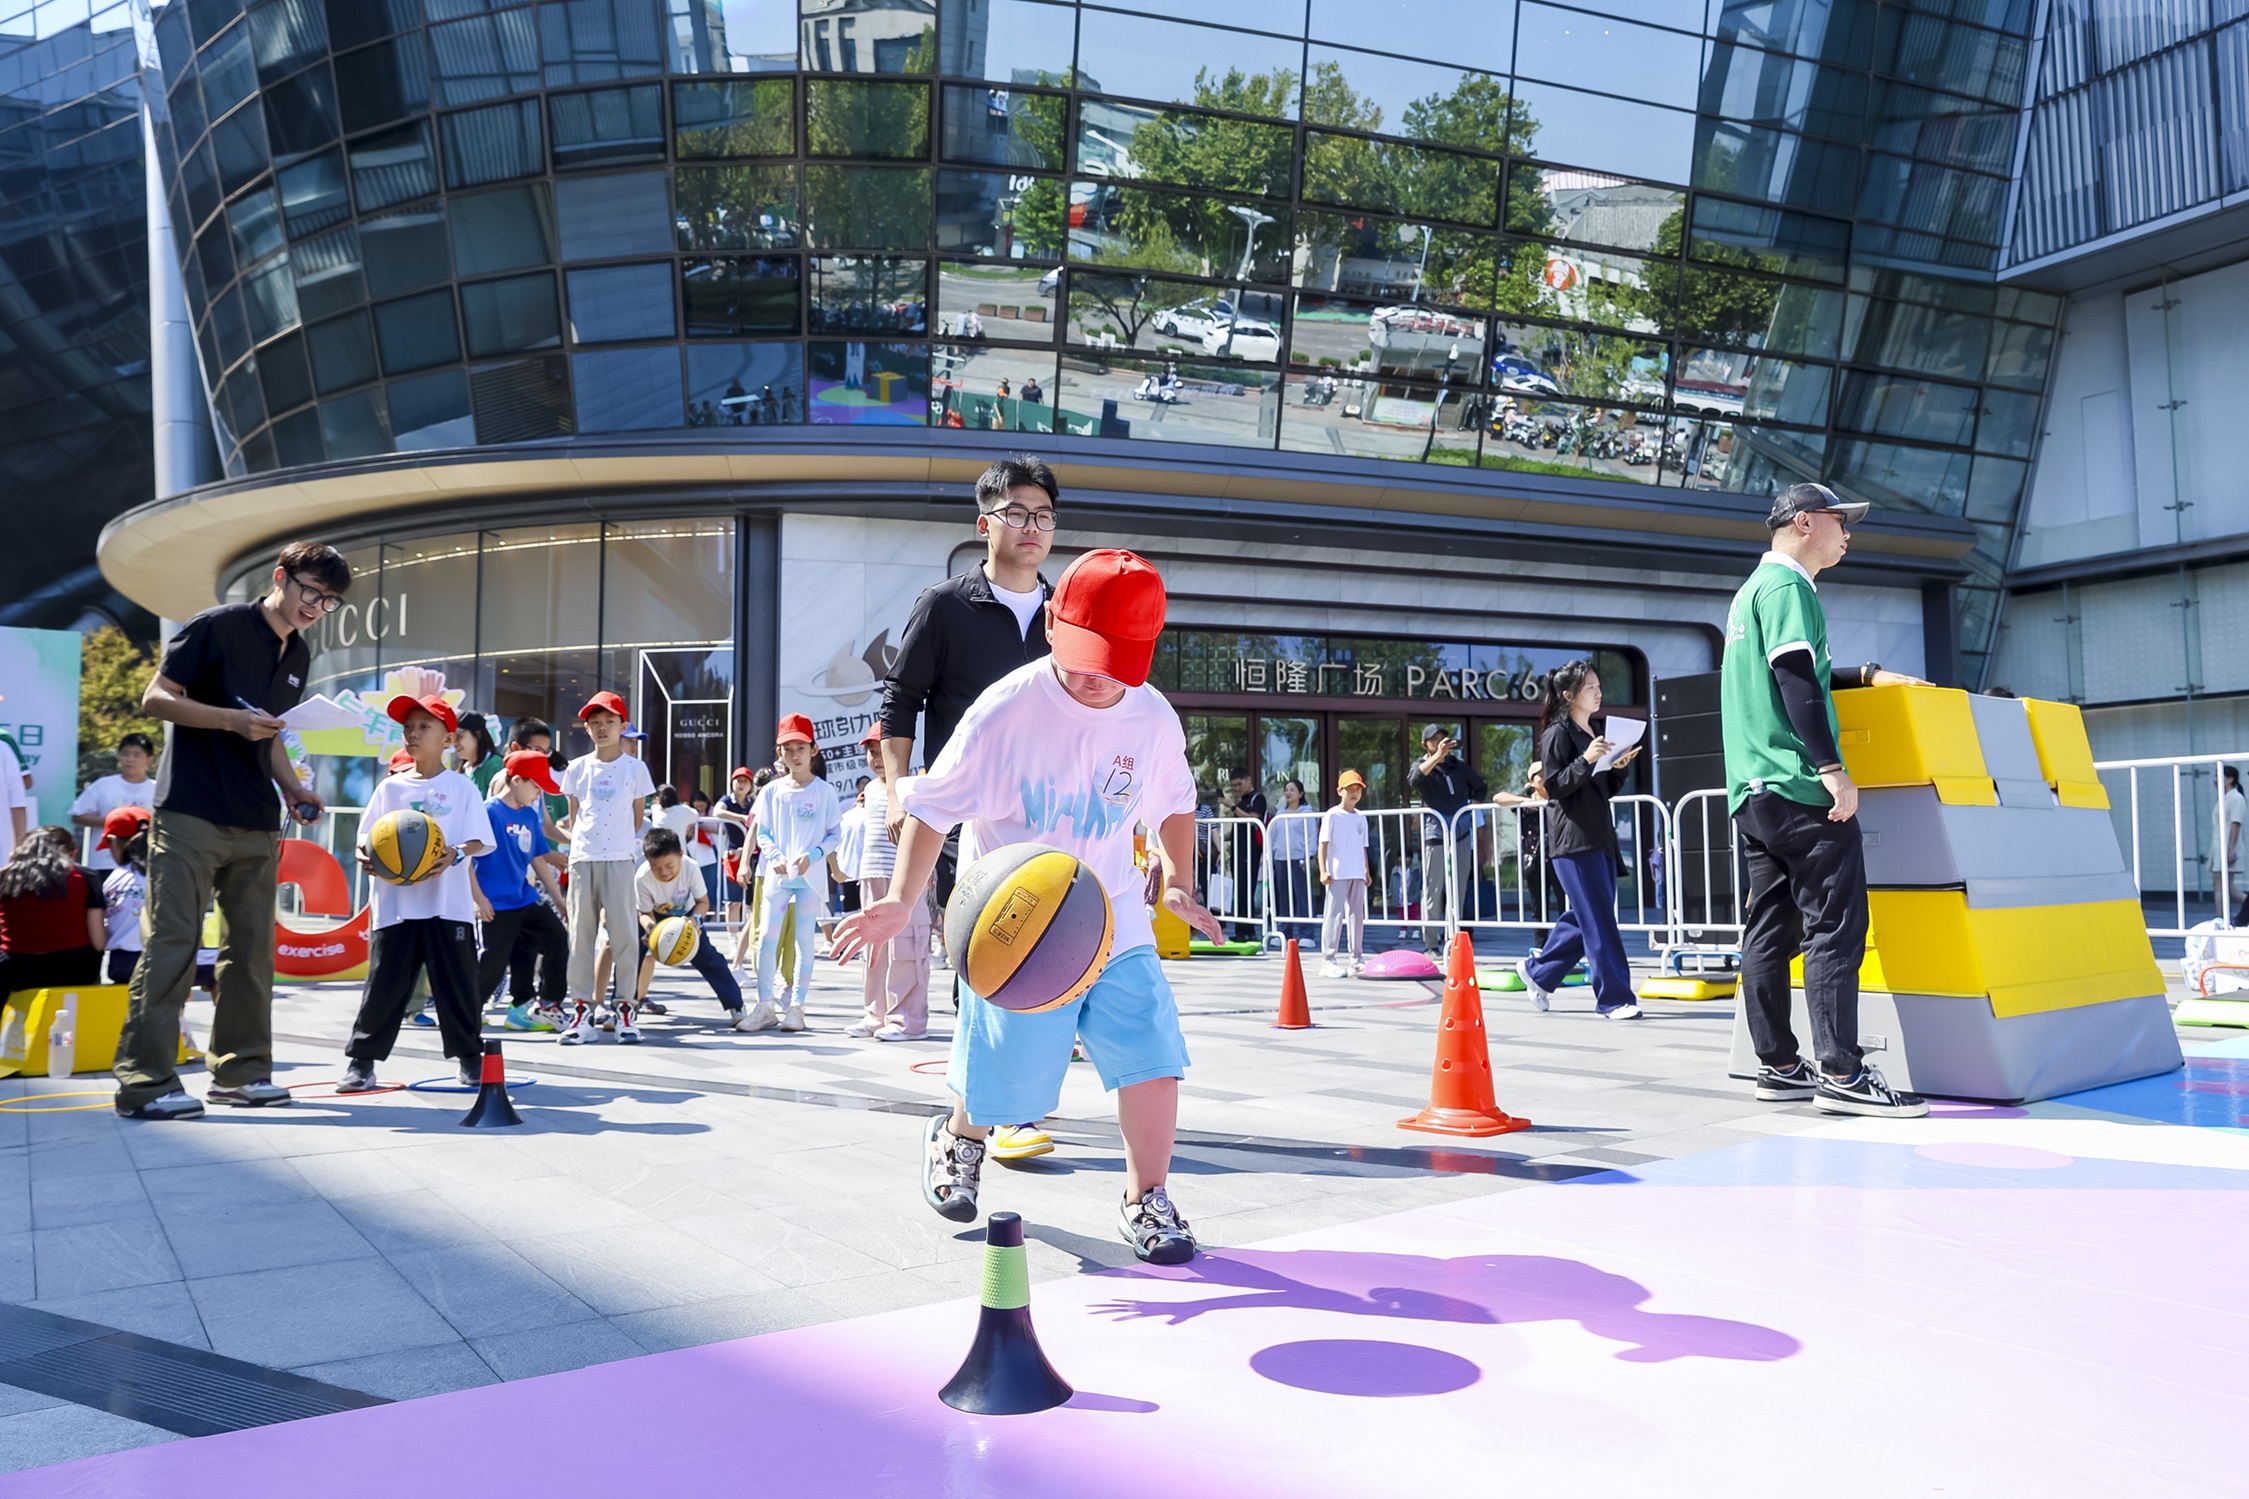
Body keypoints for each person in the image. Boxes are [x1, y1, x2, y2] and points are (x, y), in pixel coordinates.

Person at [835, 549, 1223, 1261]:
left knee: (1151, 1052)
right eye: (1083, 656)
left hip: (1112, 914)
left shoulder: (1151, 716)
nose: (1094, 677)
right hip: (1017, 921)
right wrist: (898, 900)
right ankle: (959, 1135)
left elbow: (1174, 801)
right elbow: (935, 807)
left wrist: (1176, 879)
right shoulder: (1006, 710)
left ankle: (1147, 1197)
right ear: (1050, 624)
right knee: (1007, 1075)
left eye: (1114, 663)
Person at [113, 539, 345, 1121]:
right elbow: (155, 698)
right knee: (173, 945)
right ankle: (145, 1083)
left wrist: (293, 788)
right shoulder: (216, 626)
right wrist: (230, 721)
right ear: (280, 577)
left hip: (258, 819)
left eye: (329, 601)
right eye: (311, 592)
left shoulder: (299, 653)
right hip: (189, 810)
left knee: (252, 953)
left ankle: (240, 1074)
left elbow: (269, 733)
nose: (315, 607)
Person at [1722, 482, 1930, 1118]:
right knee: (1835, 927)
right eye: (1841, 522)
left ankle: (1779, 1065)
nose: (1848, 534)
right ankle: (1841, 1071)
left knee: (1768, 927)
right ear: (1805, 522)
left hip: (1754, 788)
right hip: (1799, 785)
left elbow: (1796, 672)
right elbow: (1794, 681)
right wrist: (1833, 769)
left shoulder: (1752, 591)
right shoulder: (1790, 588)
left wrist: (1865, 674)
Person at [879, 453, 1058, 1162]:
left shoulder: (1064, 612)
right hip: (965, 817)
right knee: (987, 952)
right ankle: (991, 1111)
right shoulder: (945, 605)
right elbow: (901, 701)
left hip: (1053, 817)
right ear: (984, 523)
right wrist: (898, 790)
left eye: (1043, 515)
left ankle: (1004, 1104)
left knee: (1045, 953)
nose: (1031, 526)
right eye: (1016, 513)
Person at [337, 695, 496, 1092]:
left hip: (448, 906)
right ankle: (361, 1063)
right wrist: (366, 855)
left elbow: (480, 839)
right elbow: (364, 838)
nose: (412, 733)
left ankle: (470, 1058)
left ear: (448, 739)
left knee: (457, 985)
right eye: (408, 727)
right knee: (384, 985)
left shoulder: (461, 787)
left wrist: (456, 852)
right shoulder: (390, 787)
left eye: (424, 726)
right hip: (396, 906)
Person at [1516, 661, 1644, 1019]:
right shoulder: (1556, 734)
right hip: (1573, 838)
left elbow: (1600, 789)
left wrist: (1618, 768)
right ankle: (1614, 999)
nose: (1598, 693)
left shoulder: (1594, 732)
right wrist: (1586, 760)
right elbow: (1554, 786)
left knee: (1586, 916)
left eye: (1599, 686)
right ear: (1569, 695)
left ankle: (1539, 971)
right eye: (1590, 688)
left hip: (1599, 834)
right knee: (1599, 920)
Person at [558, 691, 656, 1046]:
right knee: (580, 938)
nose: (602, 728)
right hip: (583, 858)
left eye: (609, 722)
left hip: (619, 858)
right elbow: (574, 817)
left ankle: (626, 1010)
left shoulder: (635, 768)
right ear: (586, 728)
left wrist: (618, 844)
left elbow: (636, 818)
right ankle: (582, 1011)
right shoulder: (577, 768)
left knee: (624, 936)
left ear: (622, 726)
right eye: (595, 723)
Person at [746, 713, 840, 1032]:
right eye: (788, 749)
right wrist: (774, 856)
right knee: (766, 937)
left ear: (813, 750)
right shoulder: (771, 791)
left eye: (801, 747)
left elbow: (834, 835)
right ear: (779, 753)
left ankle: (796, 1007)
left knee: (804, 940)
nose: (795, 755)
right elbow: (762, 832)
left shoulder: (825, 792)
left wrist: (812, 856)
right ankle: (764, 1005)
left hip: (809, 878)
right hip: (778, 877)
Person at [476, 750, 571, 1033]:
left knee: (557, 937)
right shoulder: (488, 812)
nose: (539, 793)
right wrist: (477, 899)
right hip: (495, 903)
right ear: (517, 780)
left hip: (524, 898)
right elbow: (466, 860)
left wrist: (558, 900)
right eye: (536, 786)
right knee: (493, 963)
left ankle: (547, 1004)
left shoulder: (529, 815)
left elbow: (538, 859)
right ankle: (467, 1010)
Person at [849, 736, 931, 1041]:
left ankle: (908, 1019)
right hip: (871, 874)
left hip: (906, 880)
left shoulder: (915, 785)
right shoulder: (869, 789)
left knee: (907, 947)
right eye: (871, 752)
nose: (877, 758)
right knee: (874, 946)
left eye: (881, 751)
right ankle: (876, 1014)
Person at [633, 825, 750, 1030]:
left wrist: (695, 920)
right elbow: (644, 912)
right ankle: (624, 1007)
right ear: (646, 859)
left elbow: (703, 902)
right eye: (656, 867)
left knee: (711, 958)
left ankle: (736, 1006)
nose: (664, 872)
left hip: (687, 917)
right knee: (632, 957)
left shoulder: (691, 867)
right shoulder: (642, 876)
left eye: (669, 865)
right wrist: (651, 928)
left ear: (681, 854)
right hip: (654, 918)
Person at [0, 825, 106, 1004]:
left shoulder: (5, 877)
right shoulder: (84, 876)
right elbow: (99, 942)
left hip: (16, 970)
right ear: (71, 852)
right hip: (74, 969)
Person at [70, 732, 158, 873]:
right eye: (125, 754)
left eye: (137, 755)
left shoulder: (157, 789)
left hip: (145, 863)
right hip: (104, 862)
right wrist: (115, 823)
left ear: (149, 759)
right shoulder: (103, 785)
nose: (130, 759)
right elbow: (78, 815)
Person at [1319, 770, 1370, 976]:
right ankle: (1328, 960)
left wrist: (1366, 870)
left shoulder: (1361, 817)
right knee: (1334, 915)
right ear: (1340, 791)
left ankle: (1356, 958)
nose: (1354, 793)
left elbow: (1363, 846)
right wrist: (1323, 870)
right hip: (1337, 872)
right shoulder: (1332, 815)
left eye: (1358, 789)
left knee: (1357, 916)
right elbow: (1323, 844)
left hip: (1357, 871)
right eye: (1350, 789)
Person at [99, 806, 152, 985]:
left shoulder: (114, 879)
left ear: (113, 841)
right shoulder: (167, 873)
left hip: (123, 962)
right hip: (166, 957)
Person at [1267, 778, 1318, 943]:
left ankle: (1306, 934)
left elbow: (1312, 835)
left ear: (1300, 794)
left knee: (1302, 896)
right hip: (1280, 858)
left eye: (1292, 790)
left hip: (1299, 858)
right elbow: (1273, 836)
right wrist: (1268, 855)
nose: (1288, 793)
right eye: (1286, 790)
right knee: (1283, 897)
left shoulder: (1307, 813)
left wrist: (1309, 855)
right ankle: (1284, 933)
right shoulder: (1280, 814)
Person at [710, 765, 757, 942]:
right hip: (733, 855)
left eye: (745, 781)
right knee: (733, 901)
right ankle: (733, 939)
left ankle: (751, 937)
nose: (741, 784)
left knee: (753, 901)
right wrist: (741, 818)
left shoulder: (754, 802)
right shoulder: (727, 800)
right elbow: (717, 812)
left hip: (753, 855)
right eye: (738, 781)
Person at [2218, 765, 2244, 924]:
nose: (2215, 780)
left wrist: (2231, 849)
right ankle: (2221, 919)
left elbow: (2236, 824)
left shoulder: (2236, 798)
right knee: (2222, 885)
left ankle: (2221, 920)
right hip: (2220, 846)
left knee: (2224, 886)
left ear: (2230, 779)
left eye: (2219, 776)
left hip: (2228, 846)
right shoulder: (2225, 798)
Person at [455, 712, 501, 796]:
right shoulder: (462, 771)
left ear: (478, 735)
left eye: (460, 736)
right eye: (453, 737)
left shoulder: (495, 765)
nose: (454, 743)